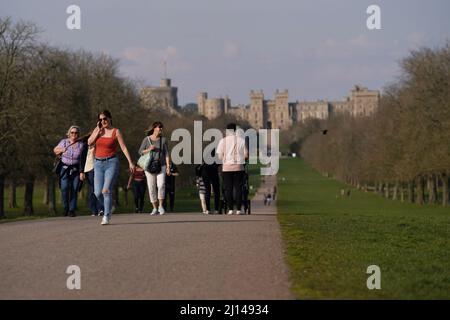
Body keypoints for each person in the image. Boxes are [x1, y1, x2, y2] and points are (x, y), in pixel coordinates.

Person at [87, 110, 135, 225]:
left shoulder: (116, 131)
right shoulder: (98, 130)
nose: (103, 121)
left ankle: (106, 216)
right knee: (97, 192)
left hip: (111, 163)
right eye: (101, 119)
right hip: (98, 164)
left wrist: (130, 162)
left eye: (105, 119)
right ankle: (109, 206)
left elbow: (123, 148)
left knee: (106, 190)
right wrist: (98, 131)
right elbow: (89, 142)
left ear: (110, 118)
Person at [138, 121, 171, 215]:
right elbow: (140, 151)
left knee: (161, 185)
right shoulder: (146, 139)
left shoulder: (163, 140)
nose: (161, 128)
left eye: (161, 127)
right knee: (151, 187)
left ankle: (160, 206)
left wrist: (168, 167)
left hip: (161, 165)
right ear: (154, 128)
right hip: (149, 166)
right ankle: (154, 208)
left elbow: (167, 154)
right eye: (159, 127)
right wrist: (149, 149)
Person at [53, 125, 86, 217]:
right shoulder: (64, 142)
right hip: (64, 168)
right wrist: (62, 149)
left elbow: (83, 159)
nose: (74, 134)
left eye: (76, 133)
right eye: (72, 132)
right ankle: (65, 207)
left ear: (78, 134)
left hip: (76, 169)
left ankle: (72, 209)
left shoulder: (81, 145)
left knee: (74, 189)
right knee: (64, 188)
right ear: (69, 133)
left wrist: (82, 172)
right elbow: (55, 150)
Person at [216, 123, 248, 215]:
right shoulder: (241, 141)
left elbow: (219, 156)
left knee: (228, 188)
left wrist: (226, 160)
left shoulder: (223, 141)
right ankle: (238, 209)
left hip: (227, 168)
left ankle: (230, 209)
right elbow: (246, 155)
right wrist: (242, 159)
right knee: (238, 188)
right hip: (238, 167)